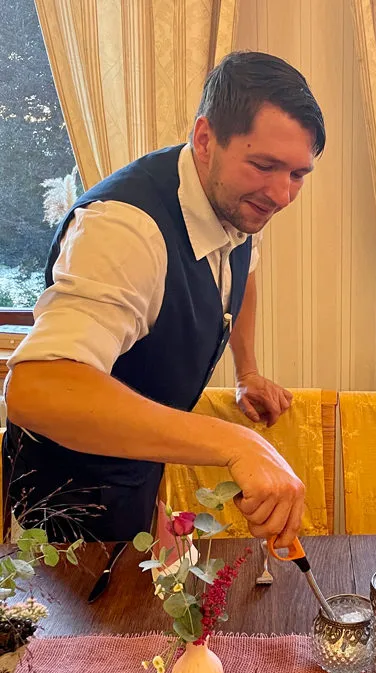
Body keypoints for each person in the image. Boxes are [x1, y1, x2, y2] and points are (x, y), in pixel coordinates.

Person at [2, 51, 325, 545]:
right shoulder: (124, 228)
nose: (282, 195)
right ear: (205, 139)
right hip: (62, 510)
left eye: (298, 175)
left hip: (139, 472)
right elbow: (35, 389)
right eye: (264, 165)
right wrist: (236, 442)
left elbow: (244, 266)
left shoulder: (237, 201)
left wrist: (247, 372)